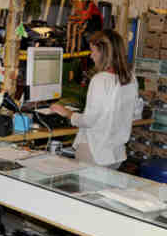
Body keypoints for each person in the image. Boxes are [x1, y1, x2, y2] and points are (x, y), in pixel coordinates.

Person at [50, 29, 138, 169]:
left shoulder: (100, 79)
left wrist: (67, 113)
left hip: (95, 152)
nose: (91, 56)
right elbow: (135, 114)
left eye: (93, 51)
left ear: (103, 53)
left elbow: (88, 120)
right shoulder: (130, 78)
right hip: (116, 155)